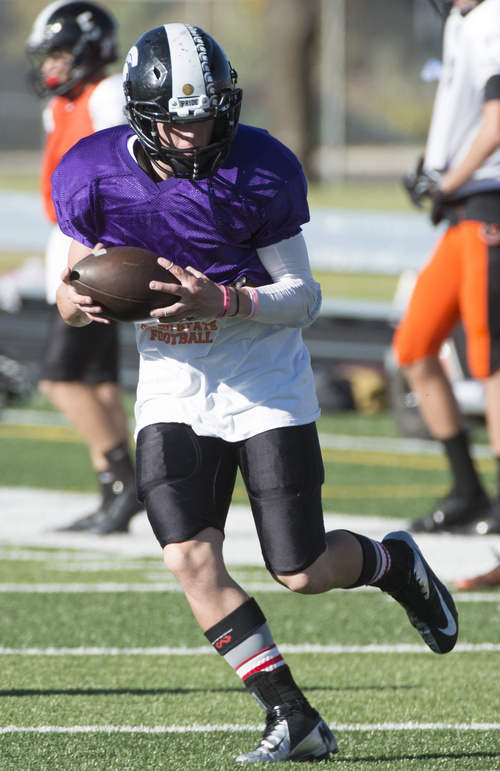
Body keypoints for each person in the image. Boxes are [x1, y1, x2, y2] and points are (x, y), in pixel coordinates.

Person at [52, 23, 459, 763]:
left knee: (300, 569)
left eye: (207, 115)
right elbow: (71, 284)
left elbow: (303, 296)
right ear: (143, 115)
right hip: (173, 384)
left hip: (264, 378)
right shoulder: (93, 173)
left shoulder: (260, 167)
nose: (196, 132)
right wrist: (78, 301)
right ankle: (293, 716)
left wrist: (228, 301)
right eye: (178, 120)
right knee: (188, 558)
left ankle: (393, 564)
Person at [26, 0, 143, 534]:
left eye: (61, 53)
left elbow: (121, 172)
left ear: (89, 50)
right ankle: (112, 495)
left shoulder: (108, 96)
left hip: (98, 252)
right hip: (73, 247)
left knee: (58, 378)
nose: (51, 66)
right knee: (96, 381)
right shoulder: (61, 107)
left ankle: (126, 483)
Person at [395, 0, 500, 536]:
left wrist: (448, 181)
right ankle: (466, 489)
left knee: (493, 362)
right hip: (461, 218)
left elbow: (498, 119)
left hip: (489, 210)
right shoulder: (466, 20)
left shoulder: (492, 16)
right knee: (414, 347)